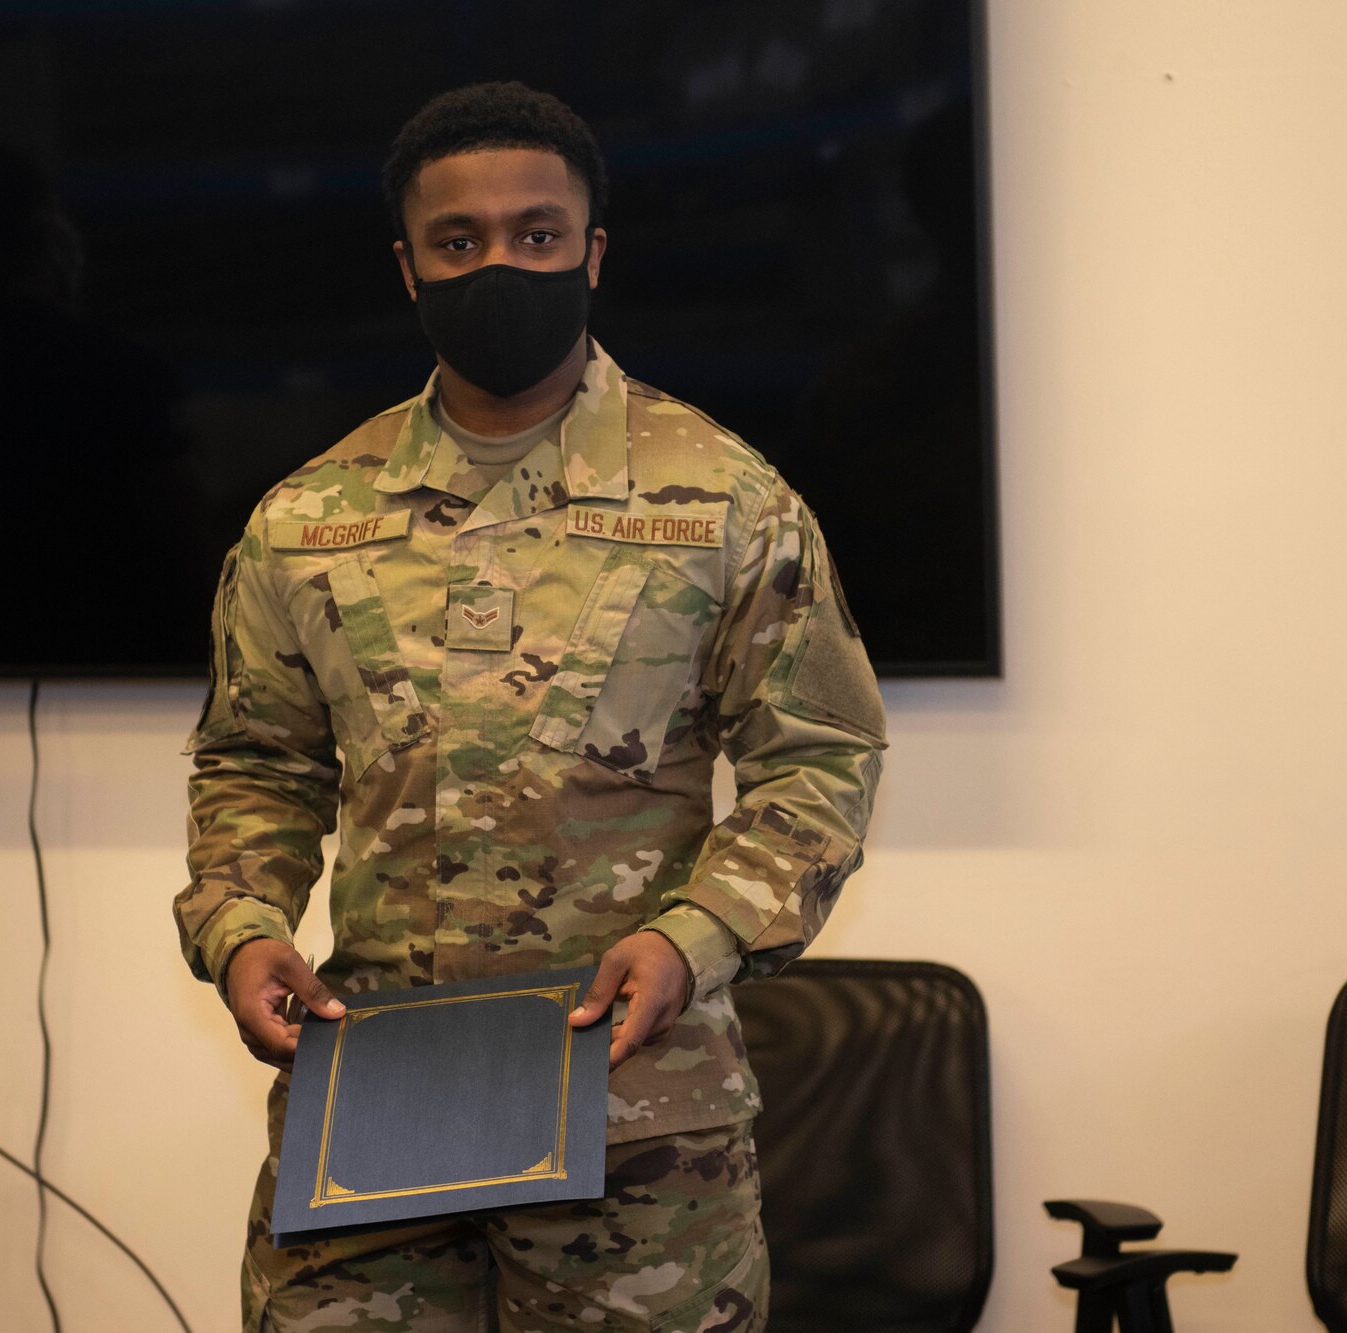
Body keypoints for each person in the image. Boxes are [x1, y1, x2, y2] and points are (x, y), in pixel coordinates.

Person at [176, 81, 887, 1333]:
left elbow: (817, 764)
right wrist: (240, 926)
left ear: (592, 253)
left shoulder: (724, 500)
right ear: (407, 267)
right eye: (459, 241)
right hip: (374, 1100)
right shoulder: (305, 519)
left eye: (535, 234)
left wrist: (694, 939)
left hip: (637, 1117)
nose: (498, 262)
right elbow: (254, 762)